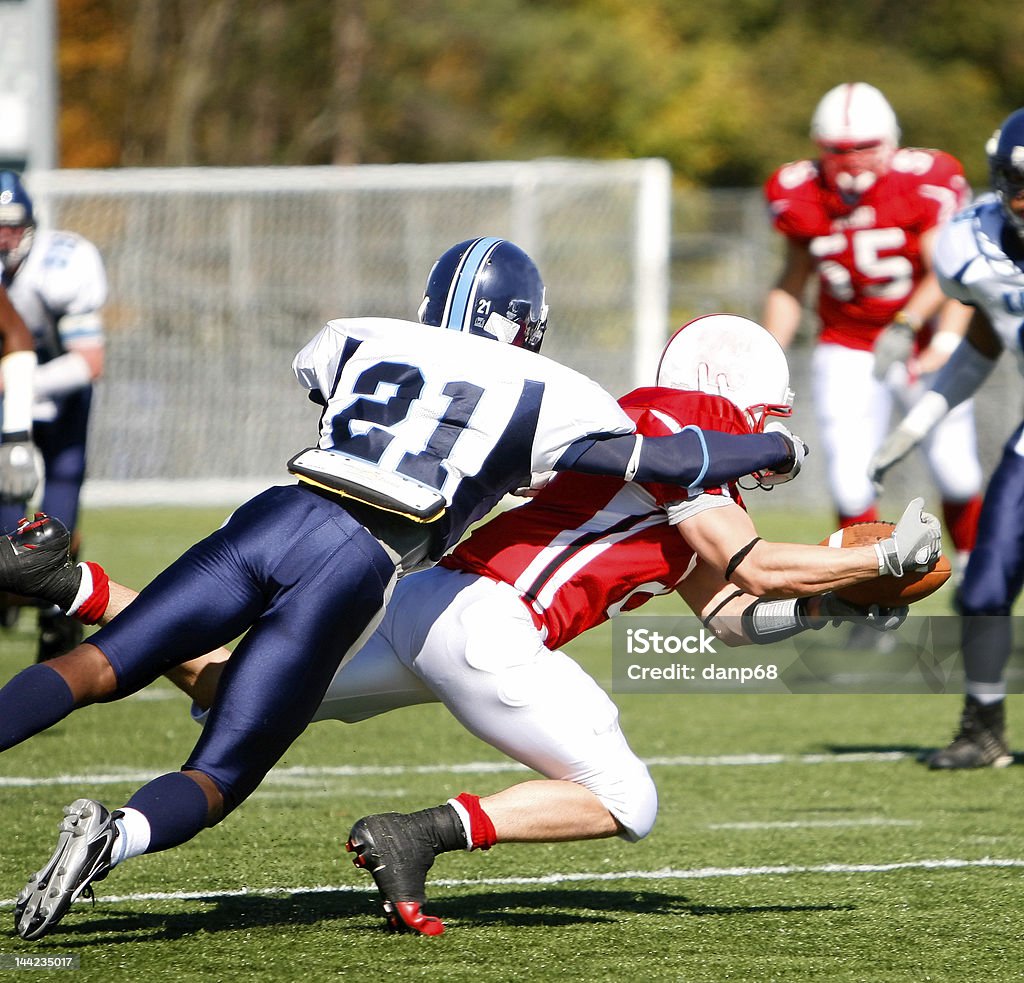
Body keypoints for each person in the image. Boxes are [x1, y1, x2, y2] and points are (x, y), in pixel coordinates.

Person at [7, 315, 941, 938]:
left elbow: (734, 616)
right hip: (490, 627)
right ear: (730, 389)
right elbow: (758, 562)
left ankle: (81, 585)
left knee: (227, 687)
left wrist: (827, 603)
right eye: (766, 414)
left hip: (430, 605)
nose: (768, 432)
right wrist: (879, 560)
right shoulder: (680, 424)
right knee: (626, 798)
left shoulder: (683, 460)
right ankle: (420, 834)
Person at [762, 82, 983, 582]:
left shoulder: (924, 180)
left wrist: (921, 332)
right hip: (847, 343)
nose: (852, 160)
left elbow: (947, 273)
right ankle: (868, 592)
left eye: (864, 146)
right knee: (849, 477)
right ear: (819, 147)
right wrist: (765, 357)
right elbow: (792, 280)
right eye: (839, 150)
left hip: (923, 339)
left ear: (892, 142)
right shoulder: (797, 191)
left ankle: (975, 572)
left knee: (956, 467)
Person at [870, 107, 1024, 769]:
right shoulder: (973, 246)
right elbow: (988, 336)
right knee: (984, 587)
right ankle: (983, 729)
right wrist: (921, 420)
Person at [0, 169, 107, 661]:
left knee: (53, 527)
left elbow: (89, 362)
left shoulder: (62, 264)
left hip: (58, 395)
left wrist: (20, 381)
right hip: (6, 400)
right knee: (4, 522)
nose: (3, 239)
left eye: (11, 227)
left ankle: (57, 614)